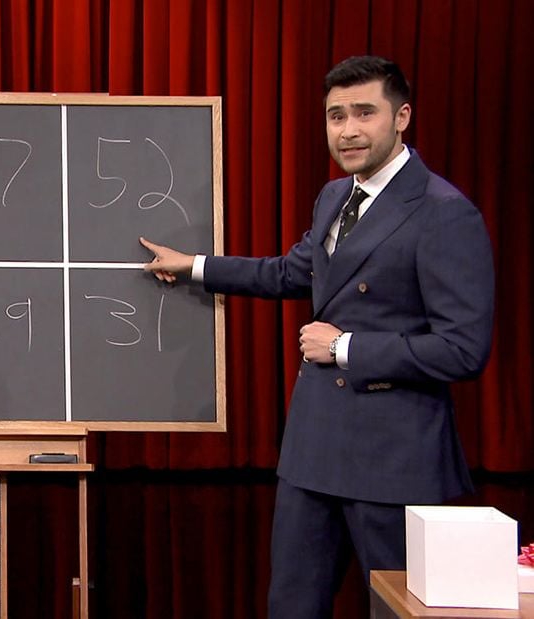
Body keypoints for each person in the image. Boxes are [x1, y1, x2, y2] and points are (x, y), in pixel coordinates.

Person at [141, 56, 494, 617]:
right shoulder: (335, 196)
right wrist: (197, 266)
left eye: (364, 113)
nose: (348, 130)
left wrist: (343, 347)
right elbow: (291, 271)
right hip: (313, 449)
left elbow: (463, 349)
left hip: (394, 459)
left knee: (396, 610)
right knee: (291, 606)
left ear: (402, 117)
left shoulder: (444, 212)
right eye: (336, 116)